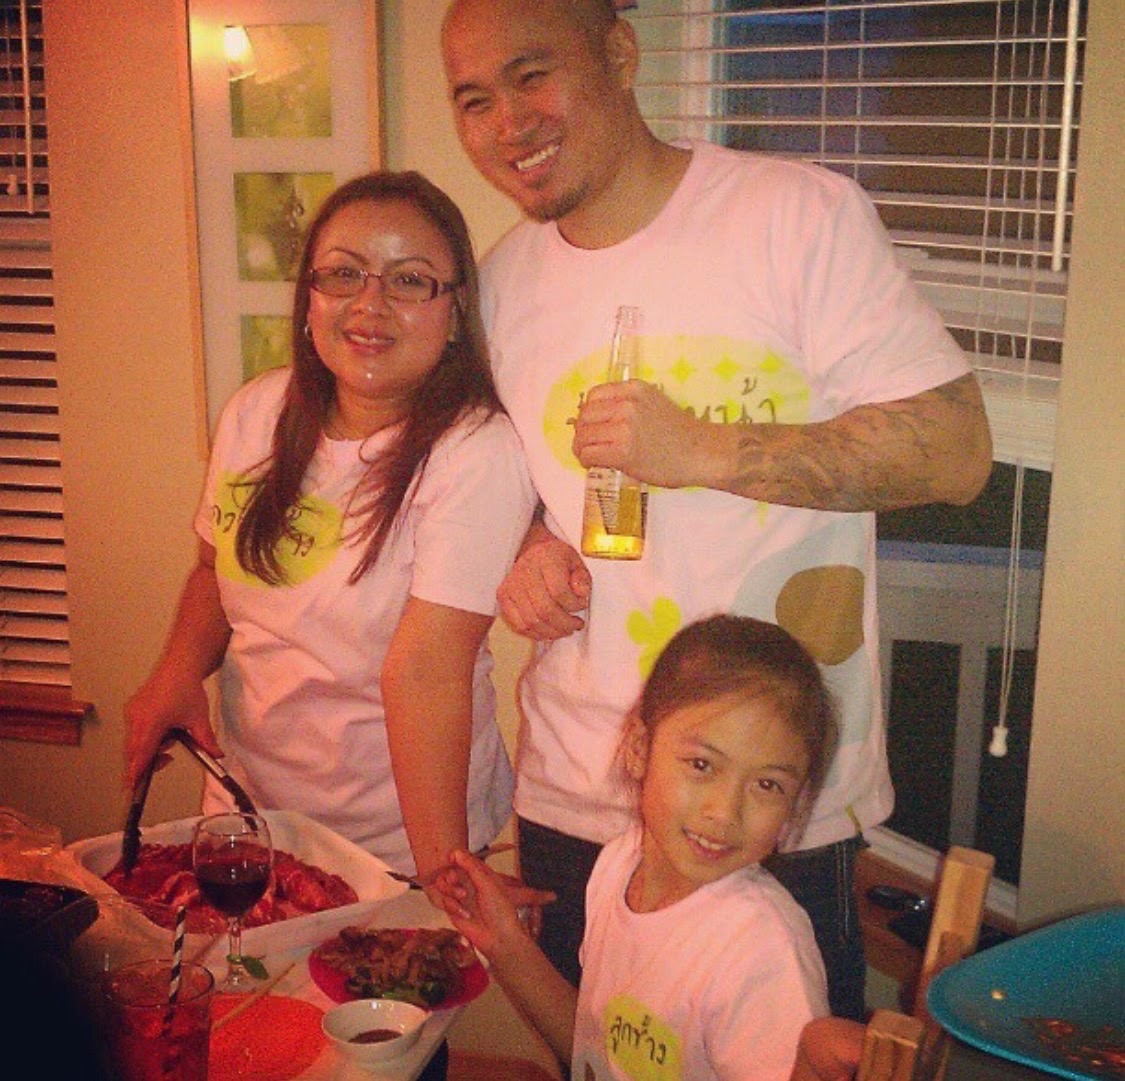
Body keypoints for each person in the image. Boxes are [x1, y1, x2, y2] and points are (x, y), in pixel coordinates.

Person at [441, 0, 993, 1019]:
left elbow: (956, 451)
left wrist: (706, 449)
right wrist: (530, 548)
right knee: (597, 1056)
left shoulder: (794, 217)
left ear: (619, 53)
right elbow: (511, 485)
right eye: (474, 100)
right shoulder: (500, 286)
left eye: (531, 75)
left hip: (763, 791)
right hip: (580, 786)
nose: (508, 123)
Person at [123, 170, 538, 894]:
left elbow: (427, 671)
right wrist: (176, 672)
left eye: (409, 281)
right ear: (309, 299)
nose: (369, 304)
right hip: (249, 823)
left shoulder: (475, 451)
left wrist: (443, 875)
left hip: (396, 843)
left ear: (454, 311)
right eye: (344, 274)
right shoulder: (257, 412)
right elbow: (213, 572)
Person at [437, 615, 836, 1080]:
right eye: (702, 765)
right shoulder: (618, 866)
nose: (725, 812)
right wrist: (507, 945)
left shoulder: (764, 952)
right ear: (639, 750)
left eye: (767, 784)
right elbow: (595, 1051)